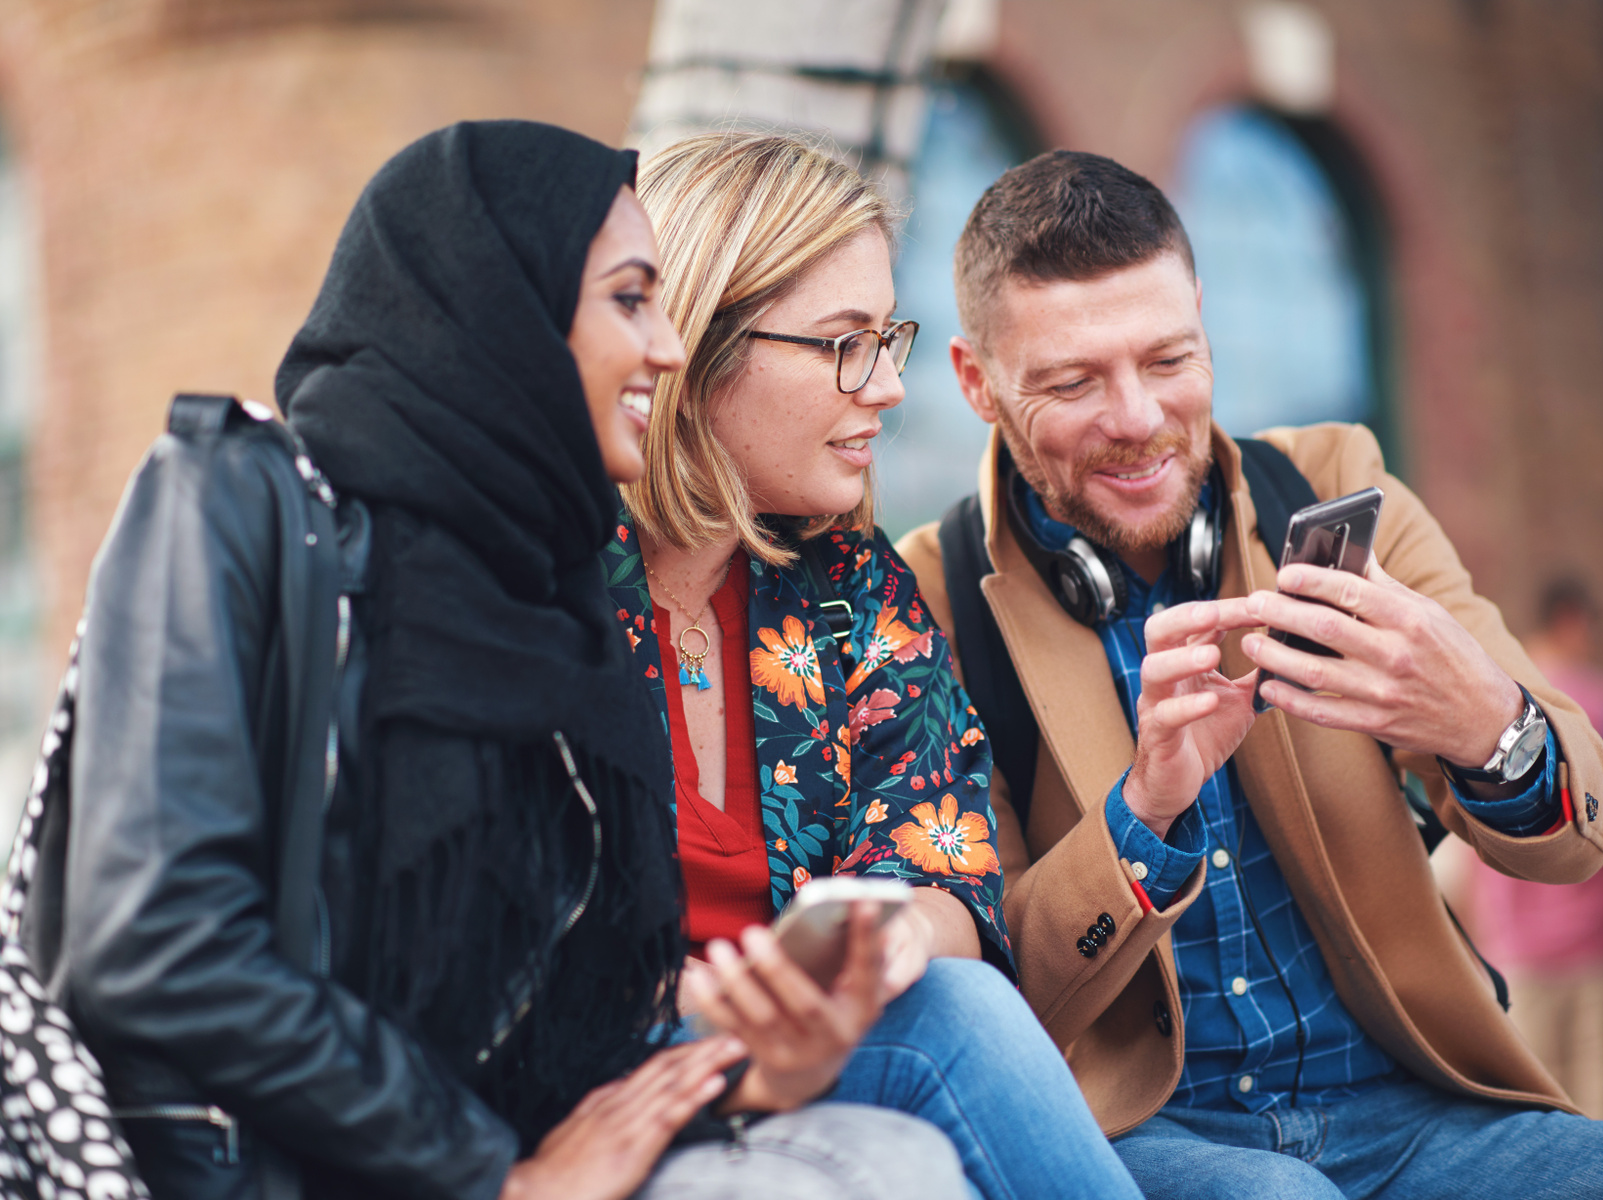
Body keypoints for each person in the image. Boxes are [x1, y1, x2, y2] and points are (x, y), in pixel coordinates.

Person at [44, 120, 970, 1200]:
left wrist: (762, 1075)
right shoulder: (232, 500)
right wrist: (497, 1175)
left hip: (499, 1150)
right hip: (279, 1171)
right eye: (632, 300)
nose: (664, 348)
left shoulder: (550, 586)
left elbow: (573, 1019)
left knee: (902, 1154)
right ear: (504, 306)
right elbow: (152, 941)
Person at [895, 149, 1603, 1197]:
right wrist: (1141, 814)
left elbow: (1577, 839)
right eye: (1073, 381)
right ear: (977, 383)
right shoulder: (925, 599)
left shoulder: (1335, 478)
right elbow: (1001, 996)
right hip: (1154, 1133)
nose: (1138, 418)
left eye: (1169, 359)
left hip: (1420, 1109)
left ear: (1205, 319)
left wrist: (1487, 724)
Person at [608, 131, 1144, 1200]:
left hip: (799, 1062)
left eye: (889, 337)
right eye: (846, 343)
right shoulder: (536, 577)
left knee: (954, 1009)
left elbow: (948, 865)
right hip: (589, 1065)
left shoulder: (848, 583)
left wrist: (889, 936)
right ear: (699, 346)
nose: (890, 389)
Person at [1462, 576, 1603, 1128]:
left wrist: (1482, 945)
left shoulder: (1491, 696)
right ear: (1574, 620)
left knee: (1538, 1124)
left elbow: (1474, 838)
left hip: (1516, 954)